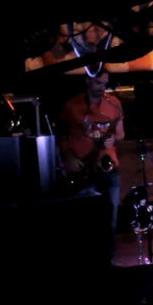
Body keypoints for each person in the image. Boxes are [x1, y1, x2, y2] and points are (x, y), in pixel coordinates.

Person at [57, 67, 125, 259]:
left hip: (107, 167)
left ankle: (109, 259)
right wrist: (67, 157)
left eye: (105, 84)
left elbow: (121, 133)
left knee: (111, 216)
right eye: (98, 83)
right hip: (82, 168)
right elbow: (59, 136)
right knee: (85, 218)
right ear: (88, 81)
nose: (102, 87)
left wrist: (113, 138)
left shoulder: (114, 104)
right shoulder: (72, 106)